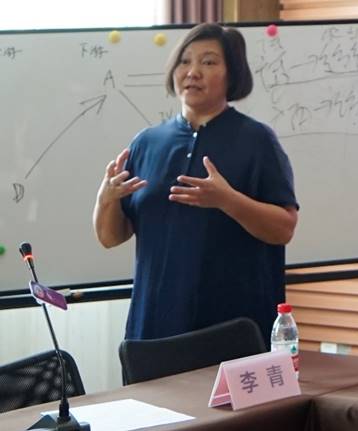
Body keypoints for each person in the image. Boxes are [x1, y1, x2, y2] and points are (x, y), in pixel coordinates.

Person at [93, 23, 298, 347]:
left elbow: (284, 228)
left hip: (234, 329)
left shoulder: (257, 140)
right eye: (185, 61)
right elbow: (111, 237)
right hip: (154, 329)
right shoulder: (146, 143)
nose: (193, 72)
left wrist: (227, 200)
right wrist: (106, 199)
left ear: (232, 74)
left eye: (209, 62)